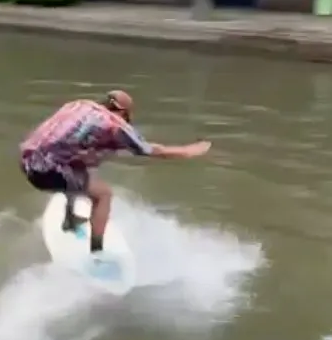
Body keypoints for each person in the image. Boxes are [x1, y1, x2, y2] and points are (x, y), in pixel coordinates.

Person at [19, 90, 211, 254]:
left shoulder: (78, 105)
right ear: (121, 112)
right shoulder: (114, 125)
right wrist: (187, 151)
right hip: (46, 170)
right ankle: (96, 251)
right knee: (103, 194)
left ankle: (70, 219)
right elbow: (149, 150)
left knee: (80, 168)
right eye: (127, 116)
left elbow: (59, 138)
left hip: (27, 159)